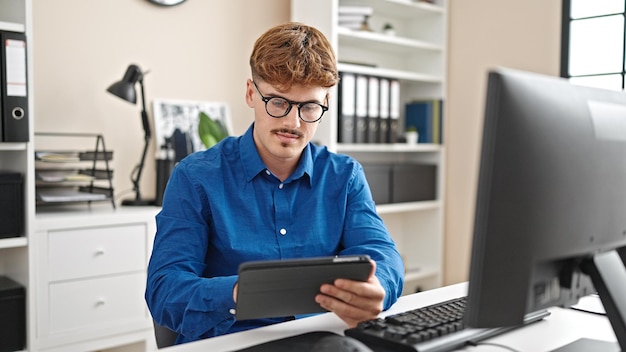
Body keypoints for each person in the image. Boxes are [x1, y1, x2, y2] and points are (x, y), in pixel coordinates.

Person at [145, 22, 405, 344]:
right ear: (251, 93)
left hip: (321, 339)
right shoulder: (195, 177)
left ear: (325, 104)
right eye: (279, 102)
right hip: (230, 340)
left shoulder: (344, 176)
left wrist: (378, 284)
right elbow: (164, 289)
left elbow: (382, 252)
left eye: (309, 107)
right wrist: (241, 292)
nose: (293, 123)